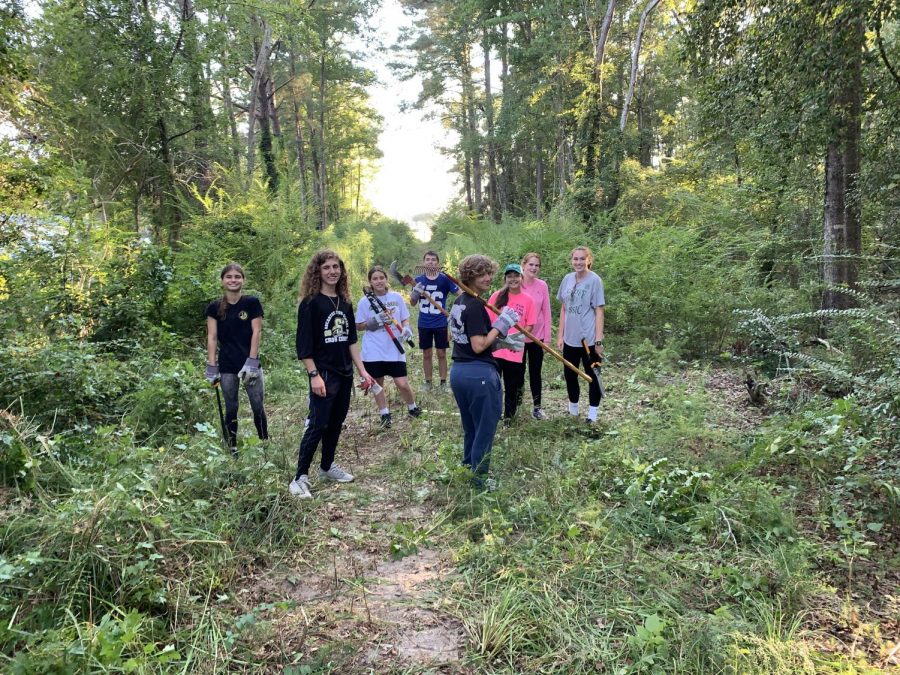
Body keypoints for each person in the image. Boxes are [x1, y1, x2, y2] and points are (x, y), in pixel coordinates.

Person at [290, 250, 375, 499]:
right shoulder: (310, 303)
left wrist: (362, 371)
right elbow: (303, 345)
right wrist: (314, 374)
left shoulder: (344, 301)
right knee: (317, 424)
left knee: (336, 423)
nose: (332, 271)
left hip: (344, 372)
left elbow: (350, 341)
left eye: (336, 267)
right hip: (323, 373)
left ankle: (327, 467)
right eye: (326, 267)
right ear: (318, 271)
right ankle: (299, 478)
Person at [448, 254, 524, 488]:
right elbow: (479, 345)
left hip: (459, 372)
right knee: (485, 429)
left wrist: (500, 341)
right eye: (482, 274)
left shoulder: (460, 302)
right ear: (470, 276)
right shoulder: (475, 305)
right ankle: (479, 479)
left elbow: (464, 338)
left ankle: (467, 469)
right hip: (479, 375)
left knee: (471, 426)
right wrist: (501, 326)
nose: (488, 278)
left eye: (490, 273)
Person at [205, 263, 269, 453]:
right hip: (226, 365)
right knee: (231, 407)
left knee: (257, 405)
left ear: (243, 280)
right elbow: (212, 337)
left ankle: (264, 442)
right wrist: (211, 366)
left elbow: (257, 331)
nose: (233, 280)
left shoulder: (251, 303)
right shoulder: (214, 307)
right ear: (223, 280)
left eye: (237, 277)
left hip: (251, 363)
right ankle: (232, 446)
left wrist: (252, 361)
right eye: (229, 277)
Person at [355, 265, 423, 429]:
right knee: (377, 384)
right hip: (373, 349)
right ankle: (384, 414)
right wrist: (373, 322)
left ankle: (412, 408)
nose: (379, 281)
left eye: (381, 277)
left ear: (386, 279)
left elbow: (405, 318)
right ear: (370, 282)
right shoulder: (365, 301)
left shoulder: (396, 297)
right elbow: (359, 325)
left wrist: (406, 328)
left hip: (395, 347)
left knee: (402, 383)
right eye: (375, 278)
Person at [556, 246, 605, 423]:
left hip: (589, 339)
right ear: (571, 261)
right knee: (570, 376)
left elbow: (599, 310)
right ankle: (573, 411)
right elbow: (564, 308)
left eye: (582, 259)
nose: (578, 262)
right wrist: (560, 335)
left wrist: (598, 340)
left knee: (593, 375)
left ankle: (592, 415)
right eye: (575, 259)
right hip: (570, 338)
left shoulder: (595, 281)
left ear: (588, 260)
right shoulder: (567, 279)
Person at [487, 264, 536, 423]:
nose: (513, 279)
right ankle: (493, 414)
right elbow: (488, 319)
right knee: (493, 383)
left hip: (514, 348)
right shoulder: (496, 296)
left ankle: (509, 417)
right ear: (505, 278)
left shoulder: (528, 300)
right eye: (509, 276)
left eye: (516, 276)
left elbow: (530, 324)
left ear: (522, 278)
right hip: (496, 347)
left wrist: (518, 335)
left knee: (512, 385)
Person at [410, 250, 458, 393]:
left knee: (442, 353)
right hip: (424, 322)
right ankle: (428, 382)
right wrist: (415, 293)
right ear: (423, 262)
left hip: (440, 322)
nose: (430, 262)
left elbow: (459, 294)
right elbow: (412, 303)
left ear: (438, 263)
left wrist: (457, 310)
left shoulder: (444, 279)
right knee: (426, 353)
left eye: (433, 260)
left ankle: (443, 382)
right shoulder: (418, 280)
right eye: (428, 259)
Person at [519, 252, 552, 420]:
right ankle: (516, 406)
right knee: (517, 373)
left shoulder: (542, 286)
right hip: (517, 337)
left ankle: (537, 407)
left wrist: (547, 338)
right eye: (530, 264)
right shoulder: (515, 284)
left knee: (535, 372)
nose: (533, 268)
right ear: (523, 265)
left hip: (536, 337)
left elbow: (546, 312)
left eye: (537, 265)